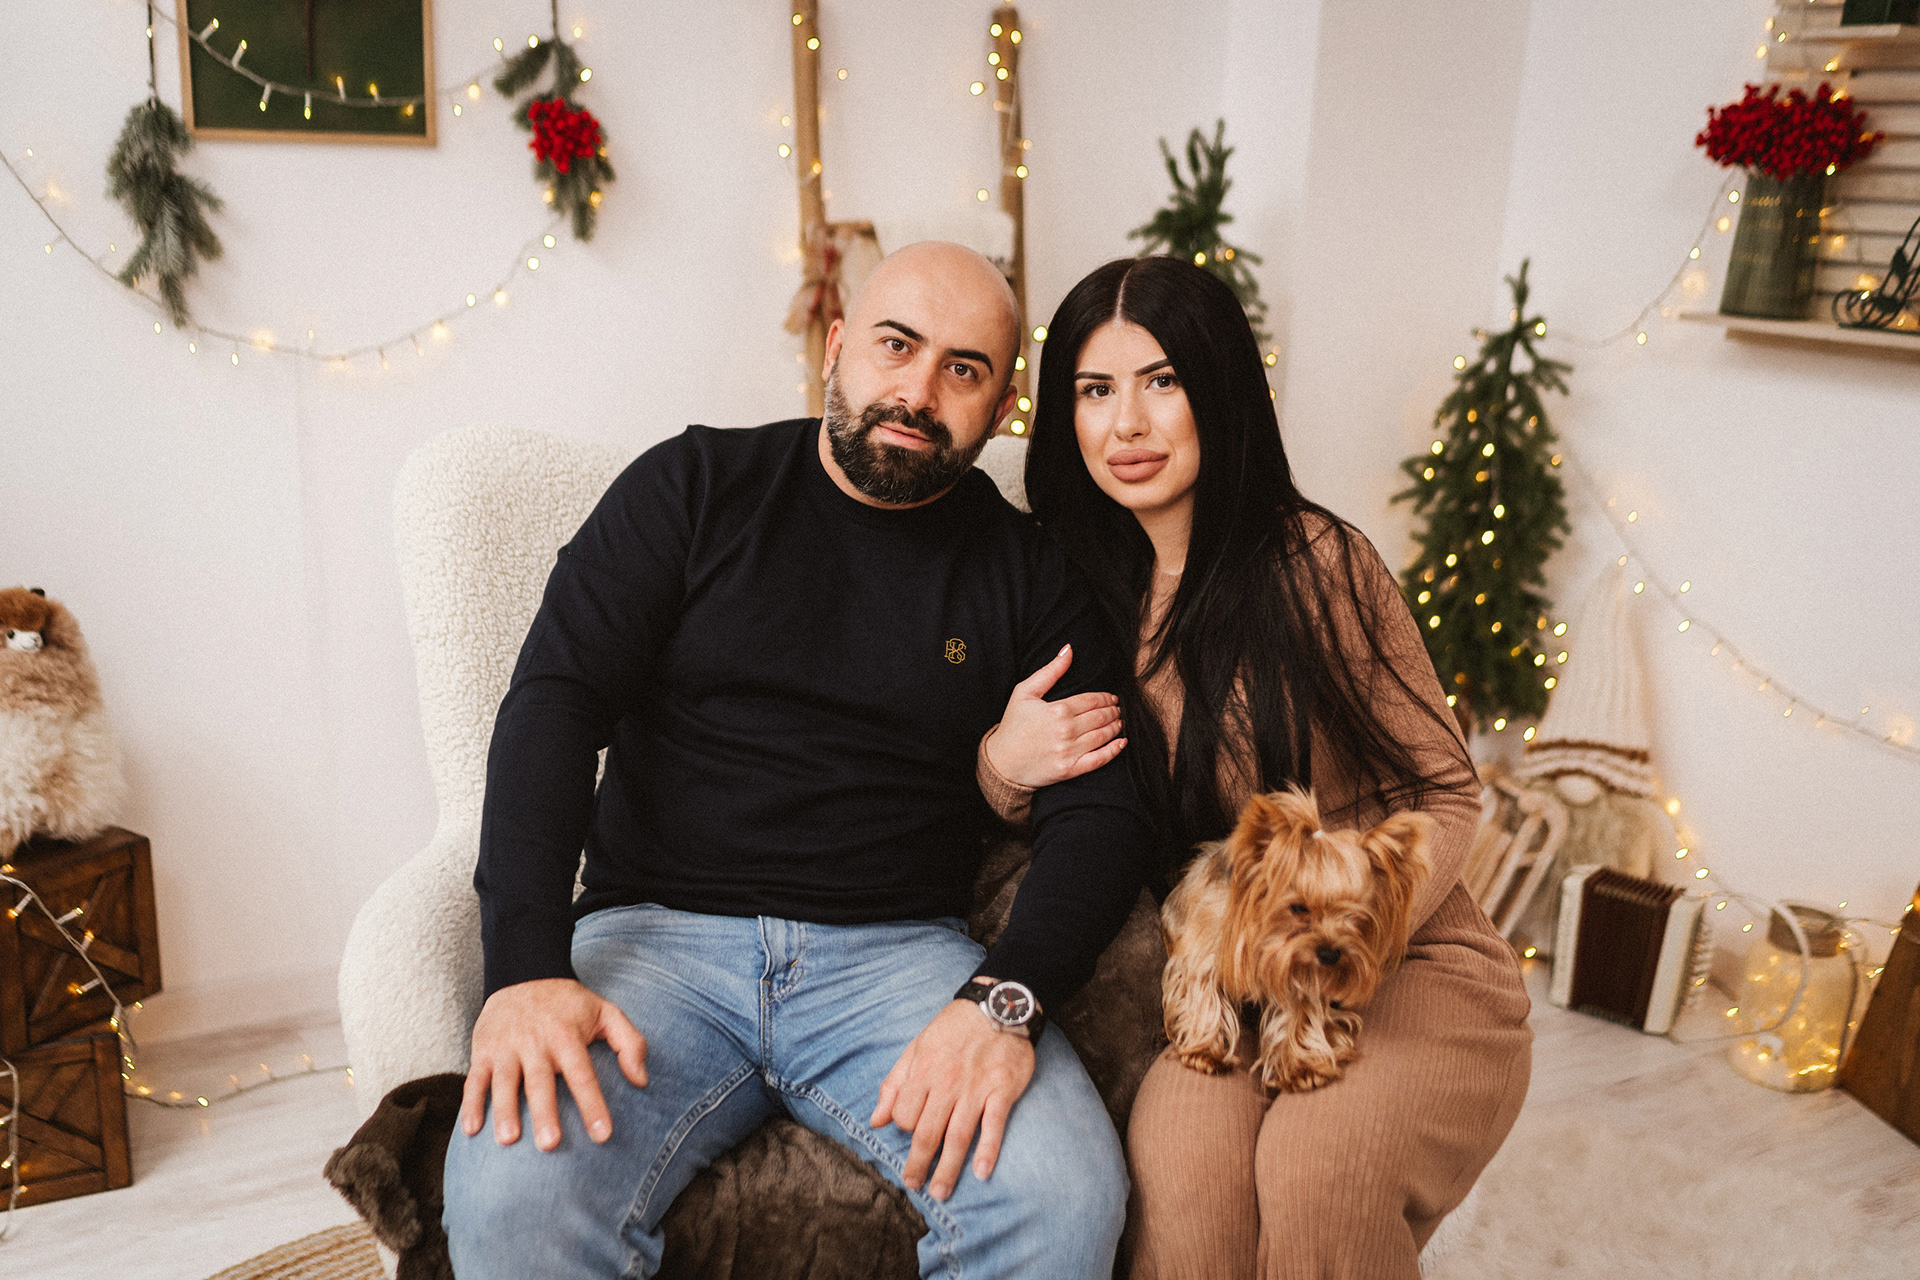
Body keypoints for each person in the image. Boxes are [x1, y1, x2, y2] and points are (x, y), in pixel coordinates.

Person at [441, 242, 1154, 1280]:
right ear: (836, 346)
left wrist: (1007, 1000)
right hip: (656, 944)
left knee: (1064, 1197)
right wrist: (525, 969)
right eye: (896, 345)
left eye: (962, 368)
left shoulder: (1029, 569)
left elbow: (1103, 813)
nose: (917, 392)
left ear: (1004, 407)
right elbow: (552, 705)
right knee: (510, 1193)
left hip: (899, 960)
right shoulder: (691, 487)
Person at [975, 255, 1533, 1280]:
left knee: (1321, 1167)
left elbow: (1447, 788)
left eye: (1162, 381)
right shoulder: (1067, 583)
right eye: (1095, 390)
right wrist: (1002, 765)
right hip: (1221, 979)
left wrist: (1348, 945)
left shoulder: (1319, 564)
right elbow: (1059, 810)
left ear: (1220, 389)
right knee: (1188, 1190)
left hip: (1397, 953)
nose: (1127, 424)